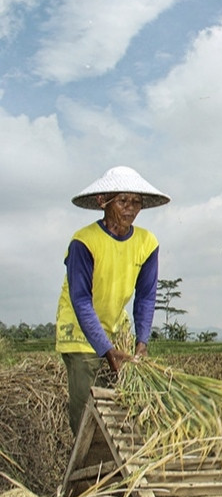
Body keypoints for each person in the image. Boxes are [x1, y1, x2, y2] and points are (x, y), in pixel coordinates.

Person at [55, 166, 171, 434]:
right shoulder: (83, 242)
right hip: (80, 335)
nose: (130, 208)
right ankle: (86, 474)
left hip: (117, 333)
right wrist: (106, 350)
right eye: (122, 201)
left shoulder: (147, 242)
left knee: (120, 412)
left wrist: (142, 341)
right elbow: (81, 300)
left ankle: (116, 470)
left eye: (136, 202)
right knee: (87, 415)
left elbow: (145, 296)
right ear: (102, 202)